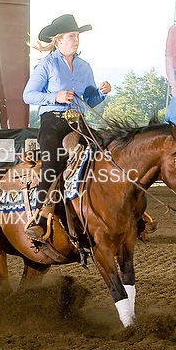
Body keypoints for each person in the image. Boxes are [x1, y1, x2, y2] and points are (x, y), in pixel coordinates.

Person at [22, 14, 111, 240]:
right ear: (58, 40)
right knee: (52, 165)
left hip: (78, 123)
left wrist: (101, 93)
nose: (76, 40)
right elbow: (28, 95)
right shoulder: (46, 64)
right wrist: (55, 96)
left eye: (77, 36)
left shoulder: (84, 67)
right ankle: (40, 217)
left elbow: (89, 100)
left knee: (105, 155)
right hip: (53, 123)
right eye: (72, 36)